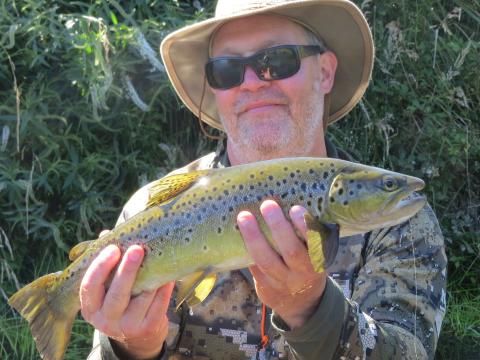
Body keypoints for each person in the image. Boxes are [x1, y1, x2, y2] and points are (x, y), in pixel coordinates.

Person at [82, 1, 447, 359]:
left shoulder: (400, 222)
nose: (253, 83)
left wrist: (313, 309)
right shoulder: (153, 210)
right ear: (214, 88)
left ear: (324, 72)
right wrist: (132, 348)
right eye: (227, 70)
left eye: (276, 60)